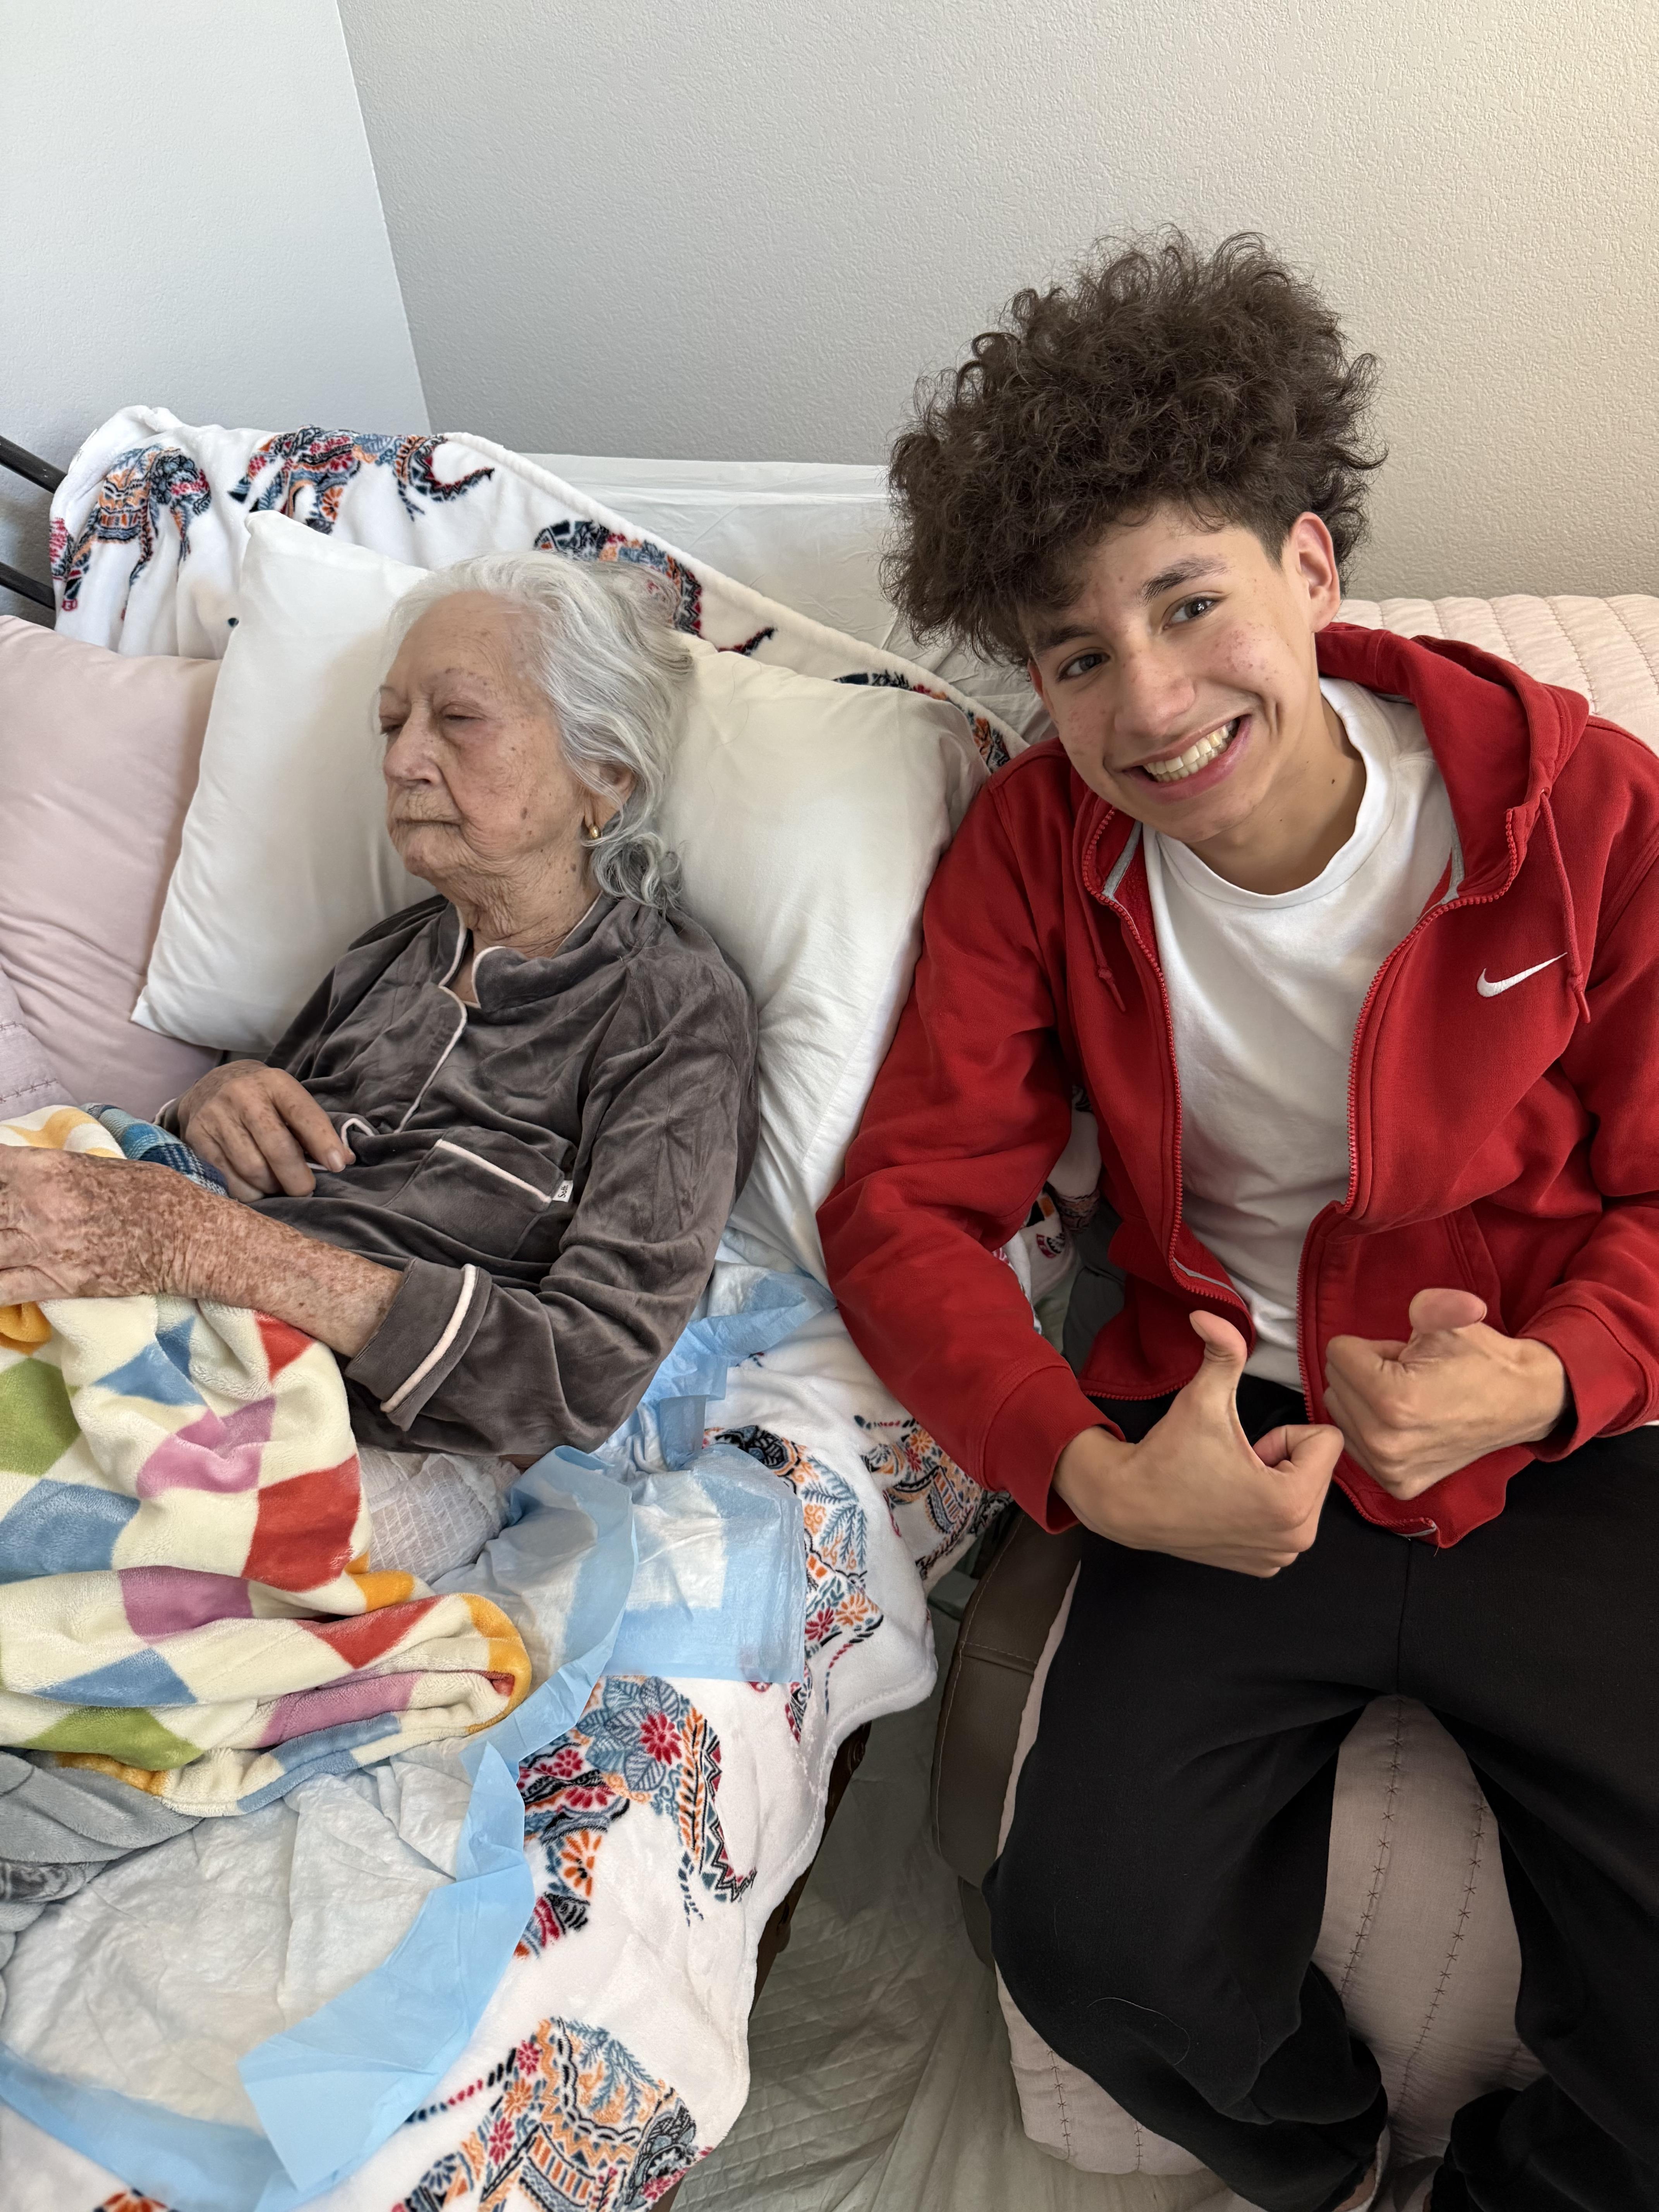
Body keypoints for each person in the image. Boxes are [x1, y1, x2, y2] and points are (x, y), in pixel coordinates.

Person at [817, 234, 1659, 2212]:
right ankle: (1342, 2167)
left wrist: (1550, 1378)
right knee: (1092, 1941)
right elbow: (907, 1212)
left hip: (1555, 1449)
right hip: (1221, 1446)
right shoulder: (1038, 844)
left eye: (1191, 605)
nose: (1153, 701)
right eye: (1080, 653)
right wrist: (1092, 1477)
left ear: (1312, 566)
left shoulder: (1582, 811)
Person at [0, 551, 758, 1566]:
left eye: (458, 718)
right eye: (392, 724)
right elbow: (223, 1171)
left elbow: (585, 1370)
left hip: (396, 1438)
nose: (402, 760)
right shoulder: (387, 958)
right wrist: (216, 1097)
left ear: (603, 774)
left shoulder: (665, 997)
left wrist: (211, 1248)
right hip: (190, 1334)